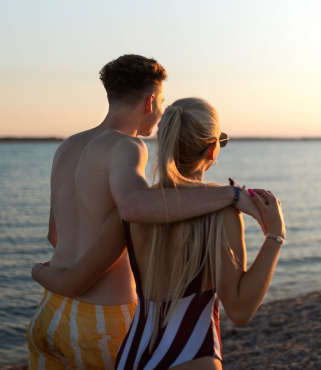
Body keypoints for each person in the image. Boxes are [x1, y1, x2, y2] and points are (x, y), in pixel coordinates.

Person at [26, 55, 264, 370]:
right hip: (100, 317)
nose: (163, 112)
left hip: (49, 311)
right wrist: (230, 194)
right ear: (150, 102)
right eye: (163, 102)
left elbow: (54, 235)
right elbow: (133, 206)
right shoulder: (128, 146)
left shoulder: (68, 146)